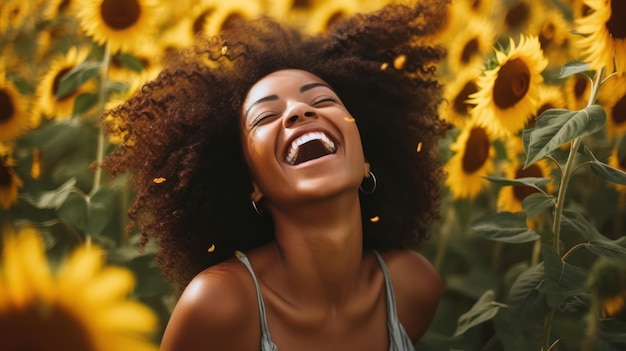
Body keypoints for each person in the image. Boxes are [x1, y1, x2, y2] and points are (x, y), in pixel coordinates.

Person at [102, 1, 449, 350]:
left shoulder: (412, 288)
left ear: (366, 162)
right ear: (252, 185)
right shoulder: (219, 308)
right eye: (265, 116)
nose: (299, 110)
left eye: (323, 100)